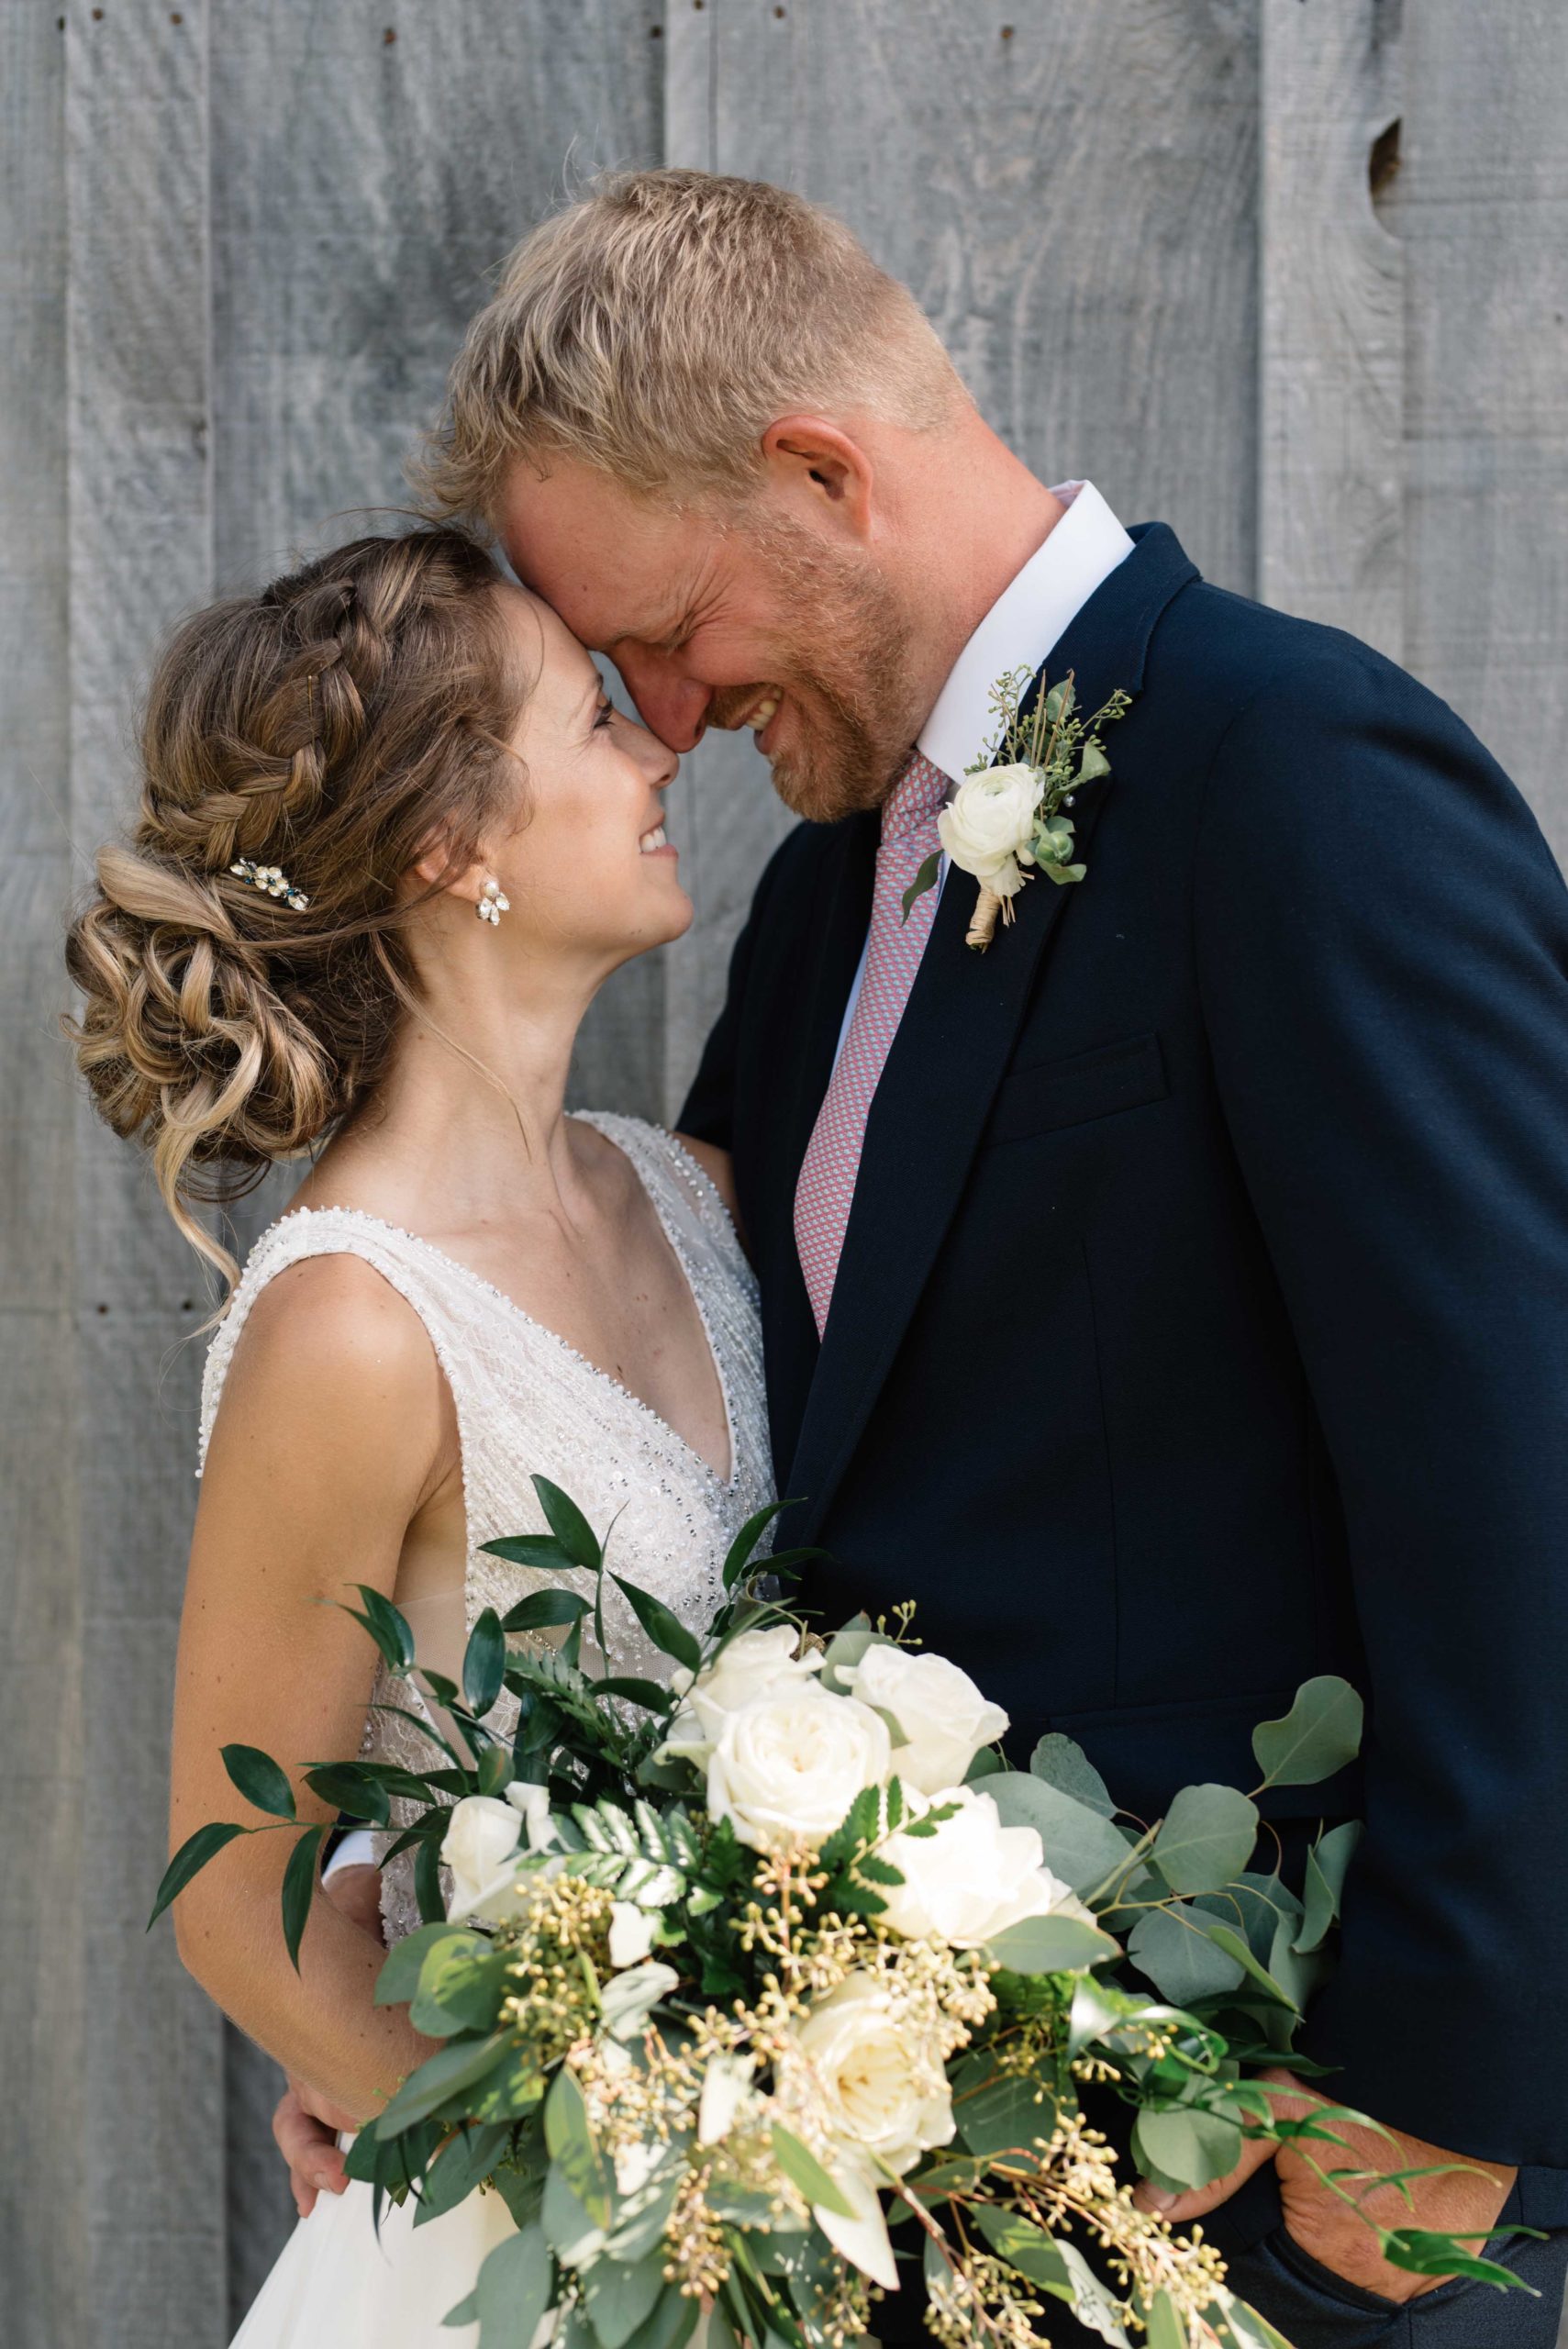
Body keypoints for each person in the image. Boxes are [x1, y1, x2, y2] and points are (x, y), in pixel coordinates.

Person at [345, 168, 1561, 2343]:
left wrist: (1460, 2090)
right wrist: (453, 1954)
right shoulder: (826, 895)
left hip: (1303, 2170)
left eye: (669, 629)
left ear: (821, 471)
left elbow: (1525, 1462)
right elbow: (719, 1464)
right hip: (926, 2194)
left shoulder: (1296, 774)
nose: (672, 717)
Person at [67, 526, 774, 2344]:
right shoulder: (354, 1324)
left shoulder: (686, 1192)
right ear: (451, 848)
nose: (657, 749)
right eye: (592, 719)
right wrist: (595, 2184)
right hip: (537, 2254)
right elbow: (242, 1897)